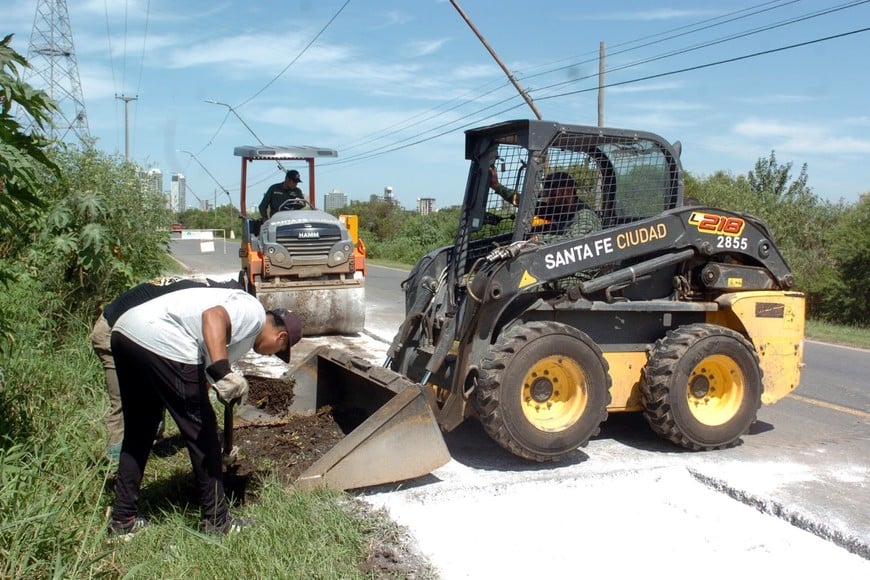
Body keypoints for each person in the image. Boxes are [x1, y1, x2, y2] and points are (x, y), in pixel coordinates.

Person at [107, 286, 302, 538]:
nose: (270, 354)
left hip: (126, 331)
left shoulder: (238, 332)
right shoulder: (252, 312)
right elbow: (213, 317)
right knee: (203, 433)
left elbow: (199, 379)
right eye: (276, 352)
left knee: (140, 430)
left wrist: (219, 449)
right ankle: (218, 522)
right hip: (162, 338)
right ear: (281, 337)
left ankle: (124, 520)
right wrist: (223, 372)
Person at [91, 277, 211, 463]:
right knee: (124, 400)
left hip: (139, 329)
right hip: (111, 330)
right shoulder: (199, 299)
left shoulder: (198, 288)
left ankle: (152, 445)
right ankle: (114, 463)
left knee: (160, 381)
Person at [488, 167, 601, 240]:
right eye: (546, 195)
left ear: (568, 191)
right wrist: (497, 187)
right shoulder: (558, 210)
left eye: (552, 195)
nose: (548, 200)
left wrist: (538, 239)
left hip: (580, 273)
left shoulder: (584, 214)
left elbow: (574, 242)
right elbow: (526, 204)